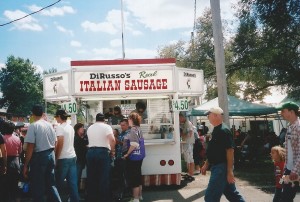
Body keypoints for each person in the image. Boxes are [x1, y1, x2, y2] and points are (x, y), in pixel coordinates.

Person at [201, 107, 245, 202]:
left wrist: (229, 171)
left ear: (216, 115)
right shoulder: (217, 130)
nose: (207, 117)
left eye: (209, 115)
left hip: (221, 168)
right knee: (232, 195)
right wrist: (206, 164)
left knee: (210, 197)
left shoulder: (223, 130)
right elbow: (214, 151)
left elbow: (230, 151)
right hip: (219, 167)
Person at [23, 104, 62, 202]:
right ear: (42, 113)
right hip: (50, 154)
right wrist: (53, 156)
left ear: (32, 114)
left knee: (38, 186)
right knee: (51, 185)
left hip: (39, 157)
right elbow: (55, 142)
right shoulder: (49, 125)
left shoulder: (33, 126)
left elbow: (30, 147)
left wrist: (26, 164)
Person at [86, 112, 116, 202]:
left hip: (90, 152)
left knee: (91, 177)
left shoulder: (90, 128)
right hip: (102, 152)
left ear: (96, 119)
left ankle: (92, 198)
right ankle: (104, 199)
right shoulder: (106, 127)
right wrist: (112, 151)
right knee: (104, 177)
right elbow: (112, 140)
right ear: (104, 120)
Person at [276, 101, 300, 201]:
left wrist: (295, 170)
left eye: (283, 111)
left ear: (291, 112)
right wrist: (286, 168)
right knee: (285, 196)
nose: (281, 113)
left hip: (296, 170)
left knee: (285, 197)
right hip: (290, 169)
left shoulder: (298, 127)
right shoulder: (289, 127)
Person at [54, 109, 79, 202]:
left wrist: (56, 158)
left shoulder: (60, 128)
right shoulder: (70, 127)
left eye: (56, 117)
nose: (56, 118)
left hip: (63, 157)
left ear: (60, 117)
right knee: (72, 183)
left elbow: (59, 144)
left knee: (57, 183)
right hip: (72, 156)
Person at [123, 112, 144, 202]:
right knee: (138, 176)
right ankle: (139, 196)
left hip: (134, 156)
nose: (128, 120)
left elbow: (134, 144)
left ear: (132, 120)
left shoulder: (133, 130)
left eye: (128, 119)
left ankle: (135, 199)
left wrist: (127, 154)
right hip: (139, 156)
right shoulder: (139, 129)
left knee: (134, 177)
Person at [2, 121, 22, 202]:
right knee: (15, 185)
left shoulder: (2, 138)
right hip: (16, 162)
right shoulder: (17, 139)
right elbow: (20, 151)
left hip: (5, 162)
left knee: (5, 186)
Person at [179, 112, 195, 181]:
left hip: (188, 143)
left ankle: (191, 174)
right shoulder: (184, 123)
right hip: (186, 143)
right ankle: (189, 173)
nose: (179, 120)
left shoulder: (188, 123)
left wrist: (182, 134)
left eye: (179, 118)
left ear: (182, 117)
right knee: (187, 159)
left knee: (190, 159)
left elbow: (190, 134)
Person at [74, 122, 88, 192]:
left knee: (78, 177)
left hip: (81, 161)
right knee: (77, 177)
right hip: (78, 161)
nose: (83, 129)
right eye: (81, 128)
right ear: (77, 129)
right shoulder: (76, 139)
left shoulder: (81, 138)